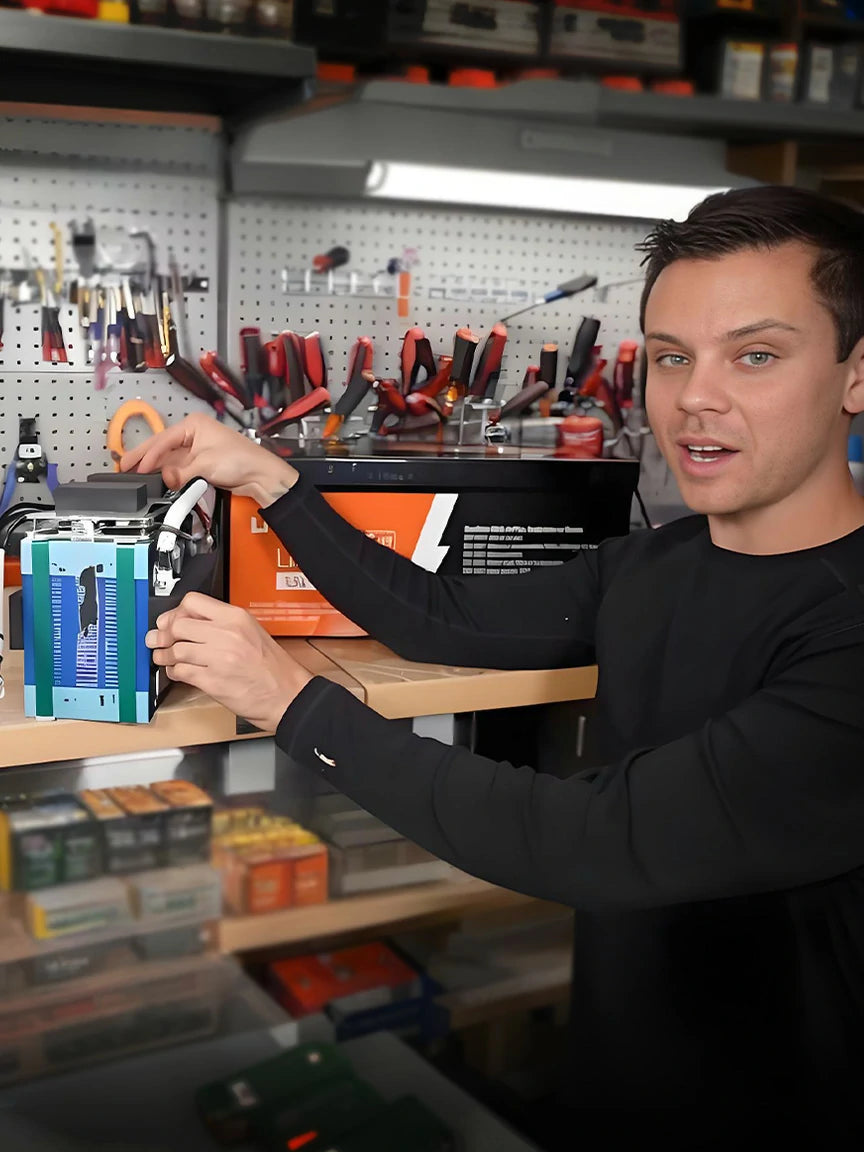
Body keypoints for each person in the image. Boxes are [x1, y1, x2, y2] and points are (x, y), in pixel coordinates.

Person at [124, 185, 864, 1147]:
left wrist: (290, 700)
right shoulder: (660, 562)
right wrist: (274, 479)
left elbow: (595, 841)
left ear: (856, 375)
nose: (697, 398)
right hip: (620, 1075)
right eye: (672, 357)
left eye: (756, 355)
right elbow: (447, 618)